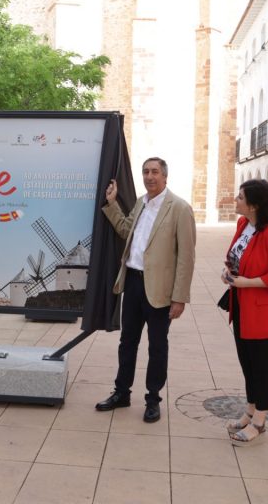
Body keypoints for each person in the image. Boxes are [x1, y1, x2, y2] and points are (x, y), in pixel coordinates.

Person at [95, 157, 196, 423]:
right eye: (145, 172)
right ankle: (122, 392)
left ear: (165, 176)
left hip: (160, 291)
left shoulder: (180, 209)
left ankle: (153, 399)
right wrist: (112, 203)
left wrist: (179, 297)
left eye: (154, 172)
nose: (149, 176)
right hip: (133, 283)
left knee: (157, 346)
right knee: (127, 342)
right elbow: (126, 230)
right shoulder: (141, 203)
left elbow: (186, 257)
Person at [222, 179, 268, 446]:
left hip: (263, 310)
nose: (235, 200)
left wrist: (247, 283)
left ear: (253, 205)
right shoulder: (243, 225)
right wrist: (229, 272)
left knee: (262, 365)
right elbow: (234, 257)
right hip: (241, 304)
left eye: (240, 197)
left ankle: (260, 420)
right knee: (247, 361)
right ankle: (250, 410)